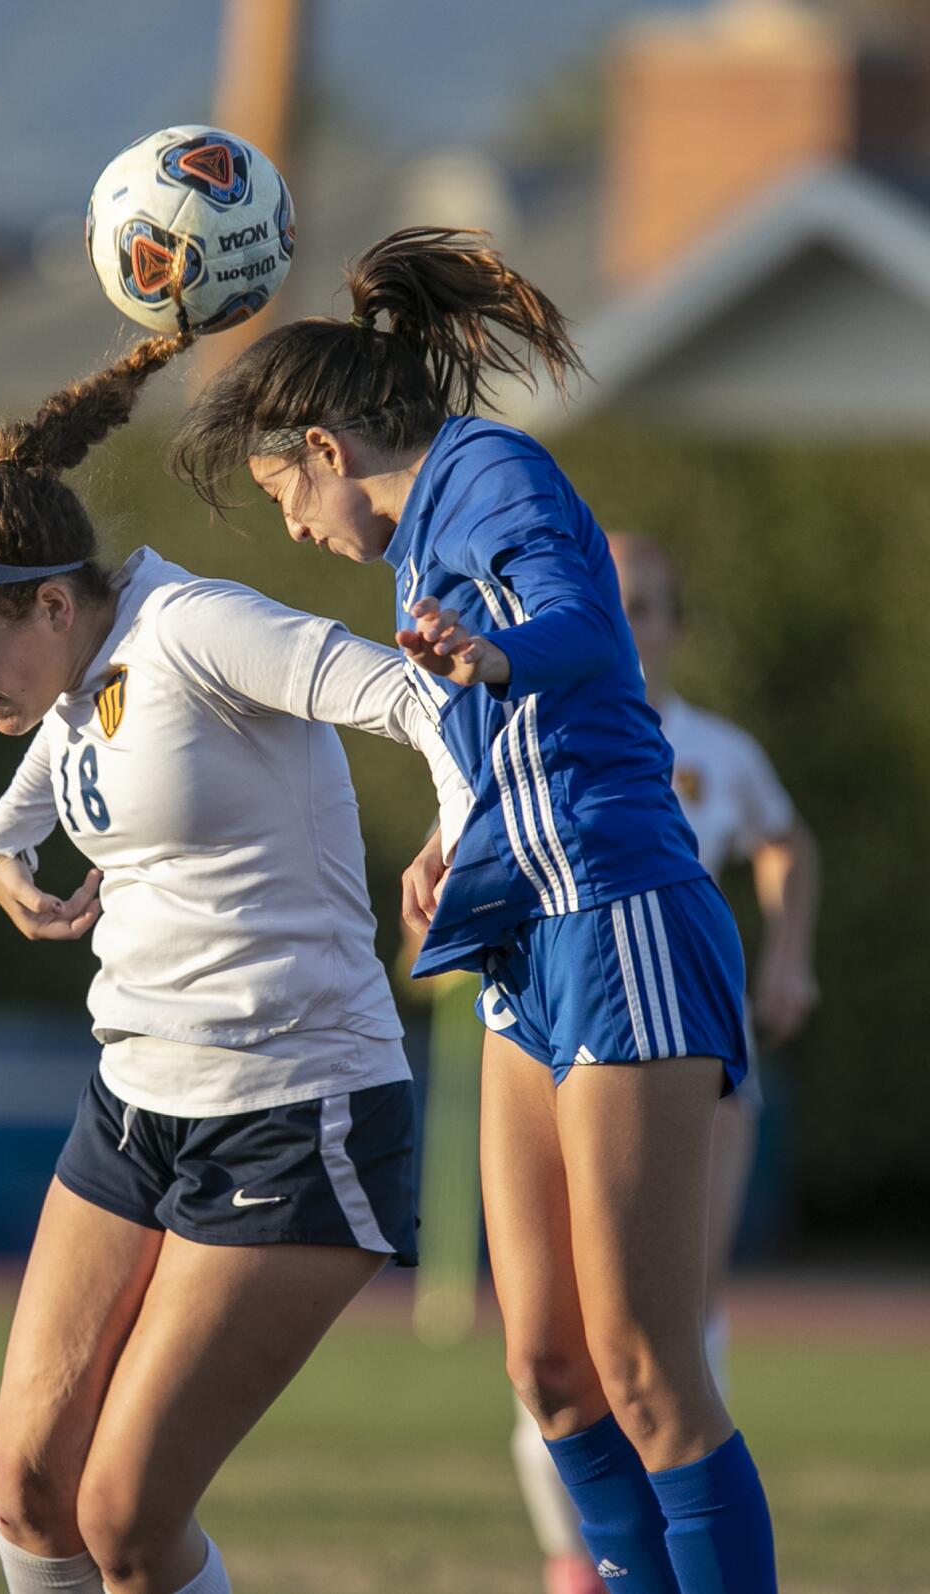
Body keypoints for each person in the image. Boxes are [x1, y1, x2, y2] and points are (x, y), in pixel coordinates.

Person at [169, 228, 780, 1593]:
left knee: (644, 1364)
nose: (293, 526)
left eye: (279, 493)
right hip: (523, 939)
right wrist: (453, 835)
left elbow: (573, 618)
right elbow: (508, 733)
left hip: (618, 915)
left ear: (322, 448)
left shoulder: (487, 472)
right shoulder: (419, 546)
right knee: (550, 1369)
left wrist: (499, 649)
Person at [0, 329, 469, 1594]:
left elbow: (423, 701)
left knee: (125, 1513)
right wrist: (6, 863)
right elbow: (38, 793)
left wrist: (454, 845)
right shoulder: (72, 680)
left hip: (296, 1112)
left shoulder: (198, 627)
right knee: (32, 1487)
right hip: (133, 1104)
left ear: (52, 601)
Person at [509, 532, 820, 1594]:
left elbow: (787, 843)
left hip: (689, 1043)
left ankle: (667, 1536)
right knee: (555, 1348)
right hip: (560, 1032)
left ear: (674, 625)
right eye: (614, 598)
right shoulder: (540, 725)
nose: (630, 620)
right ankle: (583, 1554)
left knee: (668, 1315)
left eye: (647, 604)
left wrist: (787, 959)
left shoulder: (715, 750)